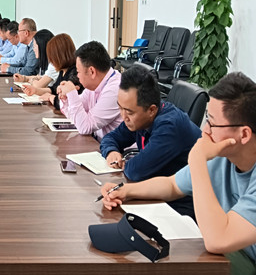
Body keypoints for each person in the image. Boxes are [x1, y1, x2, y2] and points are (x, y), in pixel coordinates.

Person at [100, 72, 256, 273]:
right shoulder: (222, 157)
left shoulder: (211, 154)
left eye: (213, 123)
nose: (205, 130)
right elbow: (172, 185)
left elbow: (217, 240)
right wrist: (125, 191)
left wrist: (197, 160)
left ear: (244, 134)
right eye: (206, 119)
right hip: (230, 250)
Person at [57, 41, 122, 140]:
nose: (77, 76)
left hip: (117, 148)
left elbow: (85, 127)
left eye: (78, 72)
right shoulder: (95, 85)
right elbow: (75, 117)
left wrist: (72, 93)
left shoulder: (114, 89)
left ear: (92, 71)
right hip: (101, 143)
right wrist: (66, 97)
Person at [41, 34, 83, 109]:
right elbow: (54, 89)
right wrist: (35, 90)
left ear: (59, 56)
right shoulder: (63, 70)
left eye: (52, 57)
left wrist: (50, 97)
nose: (51, 61)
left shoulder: (75, 72)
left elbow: (63, 102)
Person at [15, 29, 57, 95]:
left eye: (35, 46)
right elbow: (40, 77)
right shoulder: (45, 61)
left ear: (41, 47)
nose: (33, 49)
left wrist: (32, 80)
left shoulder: (54, 65)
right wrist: (24, 78)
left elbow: (38, 85)